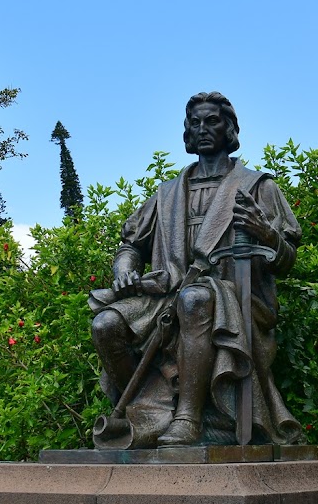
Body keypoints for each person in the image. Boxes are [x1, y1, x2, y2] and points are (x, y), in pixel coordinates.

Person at [90, 92, 301, 447]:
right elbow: (131, 244)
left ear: (230, 128)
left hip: (233, 296)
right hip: (166, 291)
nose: (202, 129)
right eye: (195, 123)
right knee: (106, 323)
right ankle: (147, 410)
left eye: (212, 121)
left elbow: (286, 258)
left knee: (195, 299)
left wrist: (266, 233)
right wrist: (124, 269)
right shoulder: (168, 193)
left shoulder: (256, 186)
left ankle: (188, 418)